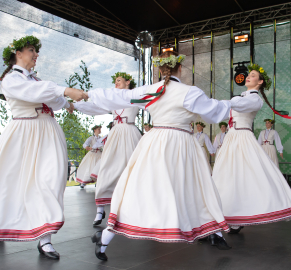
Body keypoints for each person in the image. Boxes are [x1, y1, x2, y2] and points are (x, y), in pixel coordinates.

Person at [81, 51, 254, 260]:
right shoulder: (189, 92)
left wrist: (87, 94)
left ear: (159, 69)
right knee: (196, 186)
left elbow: (119, 96)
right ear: (179, 68)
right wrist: (233, 103)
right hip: (180, 143)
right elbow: (213, 112)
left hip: (154, 143)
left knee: (143, 190)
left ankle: (106, 237)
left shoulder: (150, 90)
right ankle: (213, 231)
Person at [0, 36, 84, 260]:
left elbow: (50, 98)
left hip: (47, 133)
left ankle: (45, 238)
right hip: (24, 134)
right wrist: (65, 91)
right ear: (17, 53)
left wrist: (67, 101)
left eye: (35, 51)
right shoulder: (11, 79)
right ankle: (1, 225)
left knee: (51, 180)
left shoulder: (35, 79)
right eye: (31, 50)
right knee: (8, 182)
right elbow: (34, 94)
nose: (35, 54)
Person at [212, 64, 291, 234]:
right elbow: (225, 111)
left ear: (259, 82)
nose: (248, 77)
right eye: (249, 75)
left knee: (248, 176)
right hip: (231, 138)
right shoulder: (242, 97)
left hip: (242, 138)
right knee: (226, 176)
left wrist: (222, 102)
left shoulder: (254, 99)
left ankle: (248, 211)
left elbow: (237, 104)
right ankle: (229, 216)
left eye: (252, 75)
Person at [73, 72, 142, 226]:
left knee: (132, 170)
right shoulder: (112, 100)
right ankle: (99, 210)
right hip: (116, 135)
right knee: (106, 169)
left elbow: (153, 101)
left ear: (128, 82)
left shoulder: (135, 96)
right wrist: (75, 105)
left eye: (119, 80)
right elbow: (95, 107)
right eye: (115, 81)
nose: (116, 83)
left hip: (130, 134)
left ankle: (132, 210)